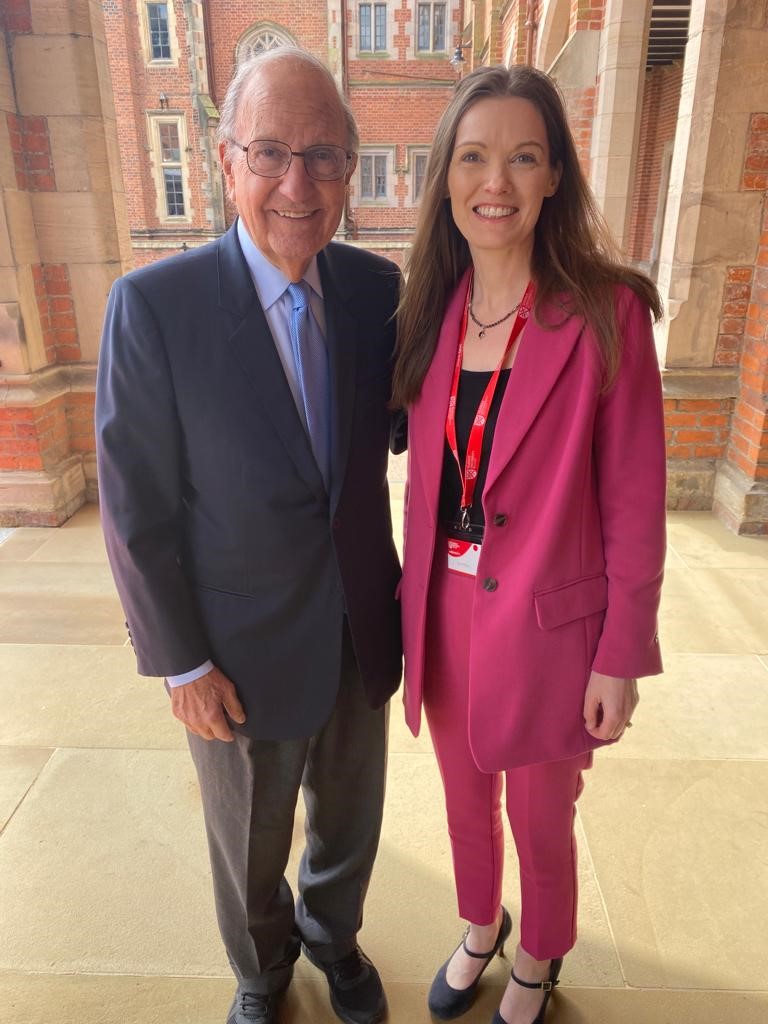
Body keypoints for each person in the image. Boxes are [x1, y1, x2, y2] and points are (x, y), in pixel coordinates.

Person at [96, 47, 402, 1024]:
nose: (297, 183)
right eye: (270, 152)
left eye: (324, 155)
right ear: (225, 160)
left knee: (350, 820)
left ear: (352, 171)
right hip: (234, 646)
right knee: (249, 839)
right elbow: (133, 503)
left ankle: (333, 936)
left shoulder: (375, 292)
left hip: (360, 622)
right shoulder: (155, 306)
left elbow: (415, 434)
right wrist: (180, 662)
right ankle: (262, 972)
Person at [393, 65, 666, 1024]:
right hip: (444, 613)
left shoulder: (605, 313)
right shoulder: (428, 310)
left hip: (555, 626)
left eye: (521, 156)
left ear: (554, 175)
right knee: (466, 804)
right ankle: (481, 924)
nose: (494, 181)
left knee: (540, 816)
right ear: (447, 178)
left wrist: (621, 655)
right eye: (472, 157)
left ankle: (541, 957)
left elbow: (636, 501)